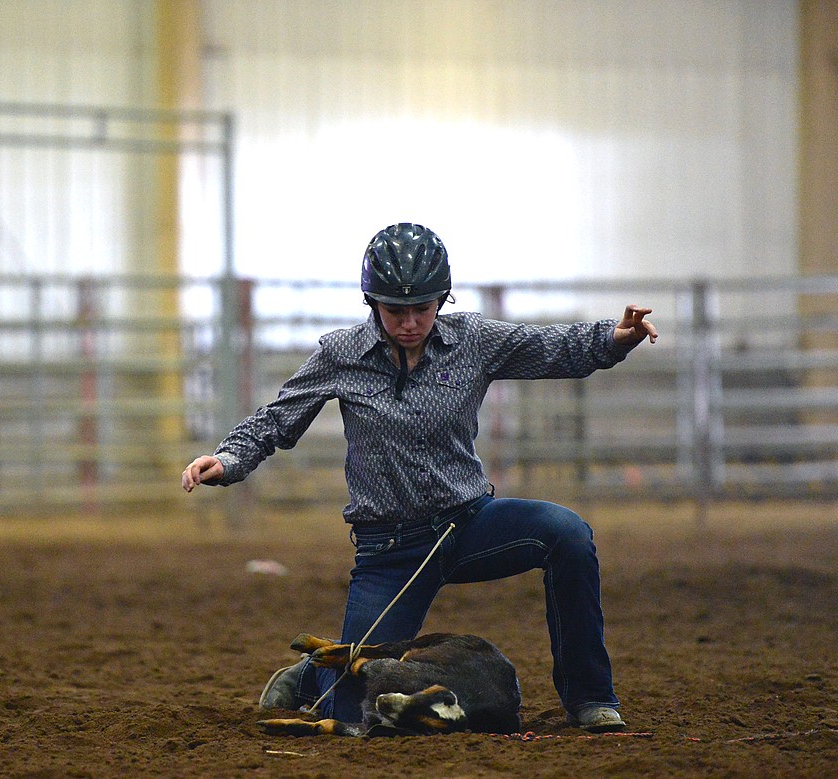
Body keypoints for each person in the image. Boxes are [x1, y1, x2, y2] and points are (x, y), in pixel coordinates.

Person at [181, 223, 659, 733]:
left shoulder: (472, 340)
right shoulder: (340, 354)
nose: (410, 323)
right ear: (372, 304)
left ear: (441, 300)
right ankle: (307, 678)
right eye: (395, 311)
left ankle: (590, 697)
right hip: (389, 547)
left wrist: (614, 338)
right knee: (353, 711)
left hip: (469, 523)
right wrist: (229, 459)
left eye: (422, 309)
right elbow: (279, 417)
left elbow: (549, 346)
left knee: (567, 534)